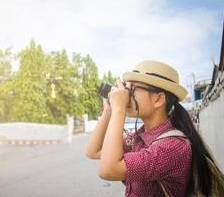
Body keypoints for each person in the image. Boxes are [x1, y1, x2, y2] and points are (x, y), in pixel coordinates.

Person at [85, 60, 216, 196]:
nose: (125, 93)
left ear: (158, 99)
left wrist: (119, 109)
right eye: (126, 87)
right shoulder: (140, 137)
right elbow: (94, 151)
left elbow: (108, 170)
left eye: (133, 88)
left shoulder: (173, 146)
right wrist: (109, 110)